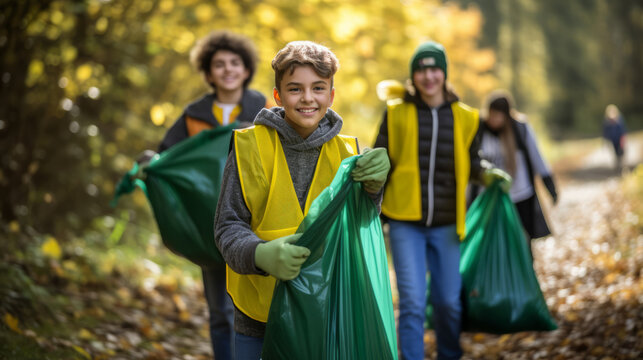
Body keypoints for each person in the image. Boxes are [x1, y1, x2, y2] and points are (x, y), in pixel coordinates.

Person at [213, 40, 390, 359]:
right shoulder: (249, 146)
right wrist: (259, 254)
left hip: (325, 315)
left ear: (332, 95)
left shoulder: (347, 153)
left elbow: (358, 225)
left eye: (318, 88)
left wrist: (374, 190)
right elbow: (227, 226)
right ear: (278, 95)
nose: (308, 98)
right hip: (258, 319)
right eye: (295, 89)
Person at [374, 41, 510, 360]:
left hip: (448, 223)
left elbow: (473, 162)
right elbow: (381, 161)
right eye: (421, 69)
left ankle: (450, 354)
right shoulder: (395, 113)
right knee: (411, 302)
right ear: (413, 76)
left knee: (448, 301)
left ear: (444, 74)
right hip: (405, 222)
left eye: (434, 68)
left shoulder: (466, 117)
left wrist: (488, 174)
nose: (428, 75)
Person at [156, 30, 266, 360]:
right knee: (220, 311)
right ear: (208, 72)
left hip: (257, 219)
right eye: (219, 64)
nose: (228, 70)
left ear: (246, 70)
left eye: (235, 63)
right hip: (211, 226)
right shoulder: (194, 114)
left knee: (259, 309)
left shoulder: (265, 106)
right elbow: (168, 154)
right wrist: (151, 164)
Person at [474, 89, 558, 253]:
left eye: (498, 115)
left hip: (520, 196)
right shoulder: (479, 130)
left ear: (506, 116)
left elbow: (537, 158)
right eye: (492, 114)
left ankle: (524, 274)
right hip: (490, 198)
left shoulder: (520, 128)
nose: (494, 120)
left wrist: (551, 188)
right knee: (493, 244)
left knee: (522, 241)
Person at [602, 104, 627, 172]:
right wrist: (605, 139)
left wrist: (623, 138)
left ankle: (621, 164)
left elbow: (622, 130)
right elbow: (605, 131)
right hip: (613, 139)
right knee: (616, 151)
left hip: (620, 138)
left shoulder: (619, 120)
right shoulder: (607, 122)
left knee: (621, 151)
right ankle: (618, 164)